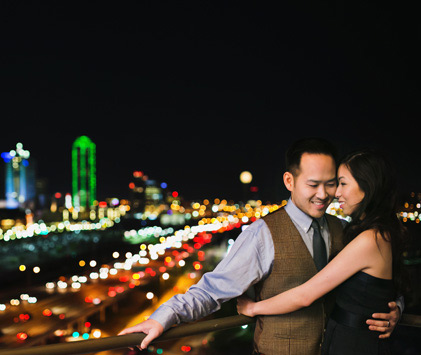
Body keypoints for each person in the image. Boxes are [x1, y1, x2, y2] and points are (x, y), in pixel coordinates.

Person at [117, 138, 401, 355]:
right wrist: (162, 318)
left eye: (331, 184)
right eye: (313, 184)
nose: (324, 194)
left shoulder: (344, 230)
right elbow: (213, 289)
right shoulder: (261, 233)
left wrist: (394, 309)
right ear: (289, 181)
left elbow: (373, 283)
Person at [236, 148, 408, 354]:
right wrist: (397, 307)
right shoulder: (376, 233)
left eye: (343, 183)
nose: (336, 193)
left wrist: (253, 308)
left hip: (354, 344)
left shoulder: (371, 239)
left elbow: (305, 295)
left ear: (367, 186)